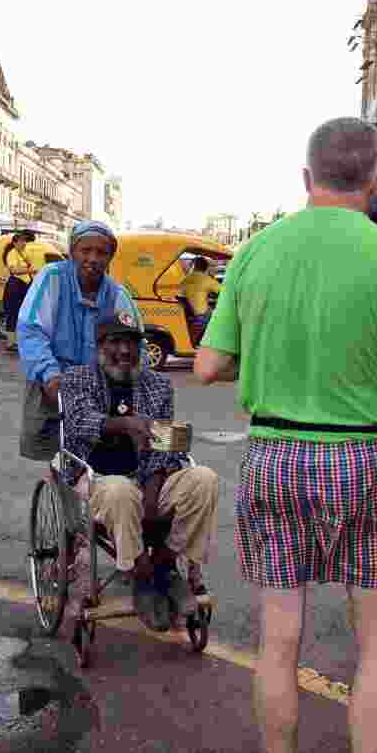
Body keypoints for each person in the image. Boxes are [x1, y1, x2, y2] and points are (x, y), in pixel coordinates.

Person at [195, 117, 377, 753]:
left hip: (275, 455)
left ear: (306, 178)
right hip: (364, 458)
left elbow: (209, 366)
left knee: (278, 642)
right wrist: (376, 368)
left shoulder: (254, 252)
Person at [61, 315, 218, 631]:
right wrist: (125, 424)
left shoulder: (158, 385)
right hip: (97, 478)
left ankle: (163, 562)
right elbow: (79, 423)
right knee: (119, 490)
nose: (124, 350)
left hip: (145, 478)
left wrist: (152, 486)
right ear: (100, 346)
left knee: (204, 480)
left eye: (131, 342)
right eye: (115, 342)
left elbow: (165, 446)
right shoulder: (78, 378)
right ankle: (141, 574)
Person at [17, 220, 144, 462]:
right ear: (72, 251)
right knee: (56, 454)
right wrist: (50, 376)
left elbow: (137, 347)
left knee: (99, 454)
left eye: (101, 252)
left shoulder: (117, 294)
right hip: (52, 379)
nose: (93, 258)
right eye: (86, 251)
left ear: (110, 257)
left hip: (98, 388)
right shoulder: (52, 278)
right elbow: (31, 329)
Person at [1, 233, 35, 353]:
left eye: (25, 241)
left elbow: (29, 267)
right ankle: (10, 342)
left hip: (25, 284)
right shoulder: (11, 254)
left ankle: (17, 341)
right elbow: (14, 270)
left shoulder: (24, 253)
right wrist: (30, 270)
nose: (24, 243)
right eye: (21, 241)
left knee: (22, 314)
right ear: (15, 243)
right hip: (15, 284)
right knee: (13, 312)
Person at [179, 256, 221, 341]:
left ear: (194, 267)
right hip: (201, 314)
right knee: (218, 316)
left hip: (187, 312)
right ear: (206, 267)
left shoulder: (185, 279)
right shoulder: (206, 279)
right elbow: (223, 292)